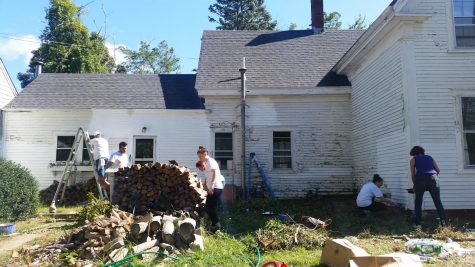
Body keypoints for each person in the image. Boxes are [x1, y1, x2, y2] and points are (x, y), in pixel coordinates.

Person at [410, 146, 447, 229]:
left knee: (418, 201)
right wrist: (432, 178)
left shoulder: (413, 160)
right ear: (422, 152)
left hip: (420, 180)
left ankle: (418, 224)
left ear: (415, 153)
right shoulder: (430, 158)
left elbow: (412, 175)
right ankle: (445, 224)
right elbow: (438, 170)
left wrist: (415, 185)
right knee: (437, 201)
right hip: (433, 179)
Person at [196, 146, 225, 232]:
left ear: (205, 154)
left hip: (216, 187)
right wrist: (206, 183)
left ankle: (216, 224)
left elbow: (215, 173)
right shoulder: (206, 162)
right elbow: (209, 175)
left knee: (209, 207)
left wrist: (212, 185)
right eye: (199, 157)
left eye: (201, 156)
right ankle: (214, 225)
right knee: (211, 207)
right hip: (212, 188)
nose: (200, 158)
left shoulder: (210, 161)